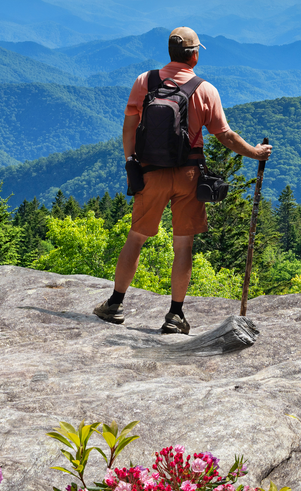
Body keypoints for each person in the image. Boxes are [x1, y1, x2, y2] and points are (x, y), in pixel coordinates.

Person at [92, 26, 272, 334]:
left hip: (150, 173)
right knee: (183, 245)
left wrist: (131, 163)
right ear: (195, 55)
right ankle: (175, 315)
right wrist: (255, 153)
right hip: (188, 175)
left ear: (170, 52)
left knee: (136, 237)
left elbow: (129, 128)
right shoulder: (205, 90)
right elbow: (225, 136)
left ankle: (115, 304)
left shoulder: (144, 82)